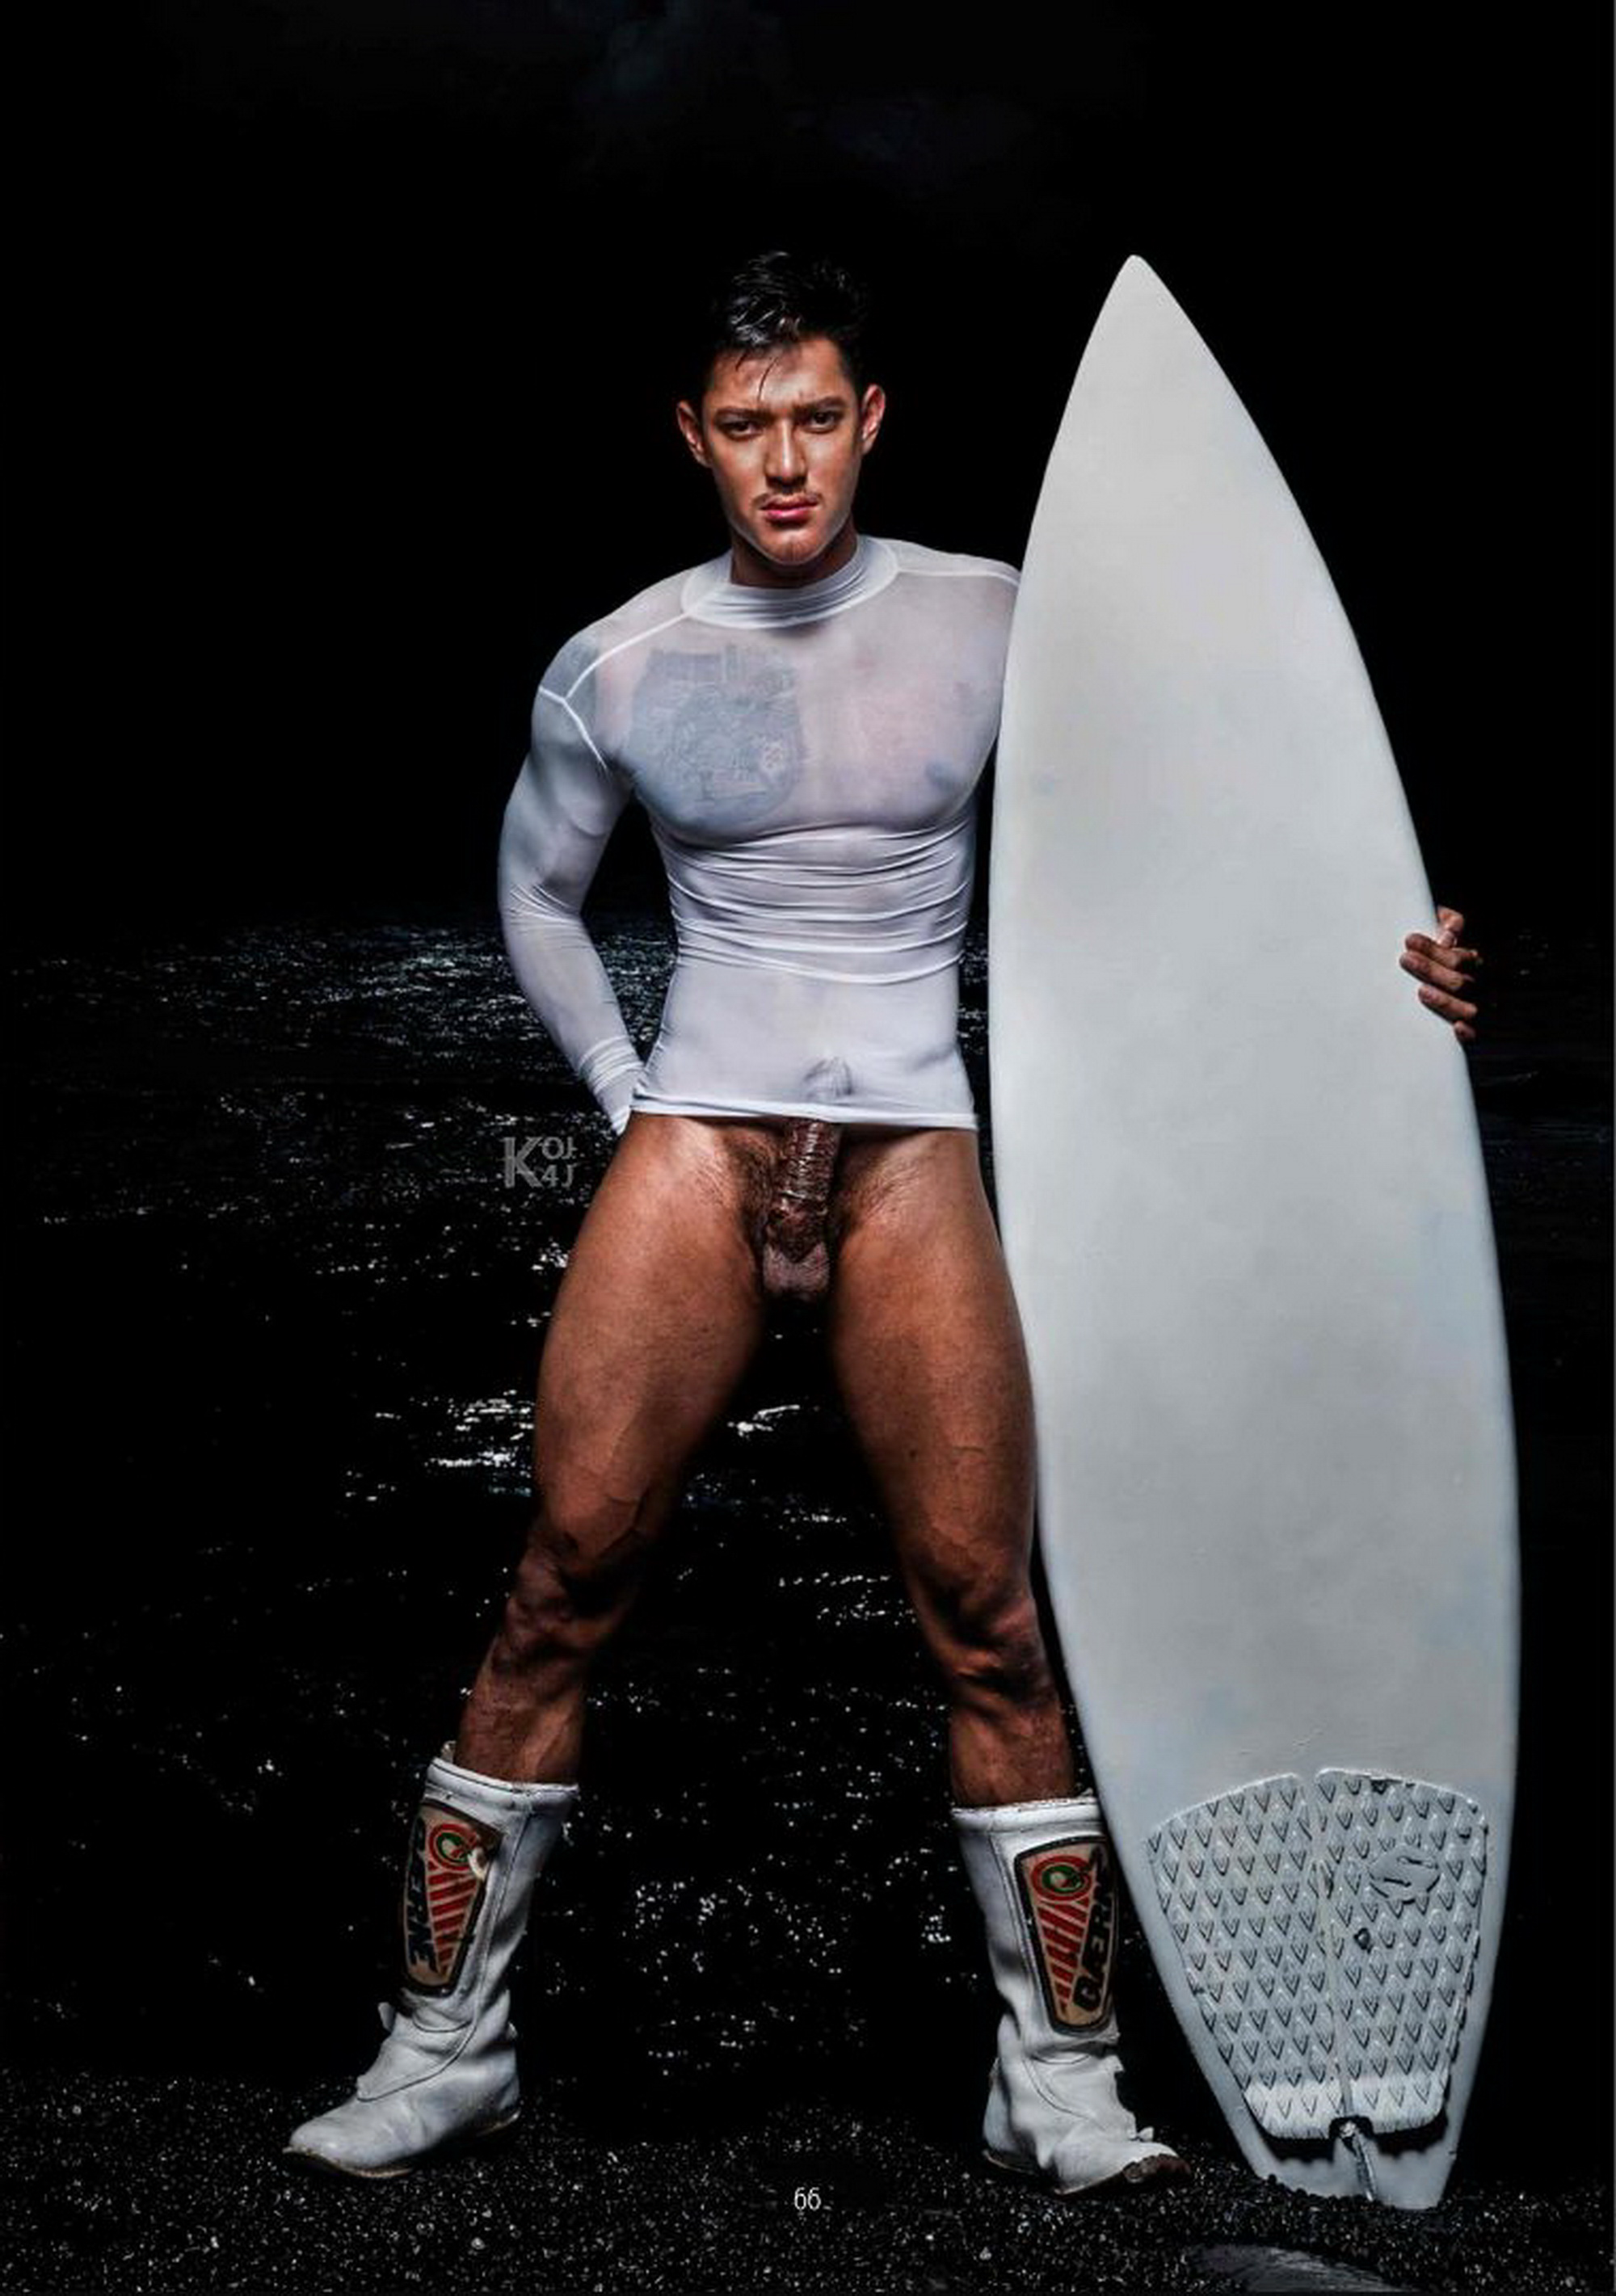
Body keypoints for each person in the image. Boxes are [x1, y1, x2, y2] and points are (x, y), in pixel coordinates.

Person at [284, 251, 1483, 2191]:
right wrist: (626, 1095)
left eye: (816, 419)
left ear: (871, 421)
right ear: (693, 437)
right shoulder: (618, 663)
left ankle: (1057, 2076)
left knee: (989, 1616)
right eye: (745, 425)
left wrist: (1388, 960)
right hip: (699, 1142)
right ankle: (444, 2045)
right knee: (559, 1579)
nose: (784, 462)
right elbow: (537, 891)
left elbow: (1213, 818)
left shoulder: (995, 621)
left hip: (915, 1146)